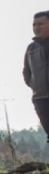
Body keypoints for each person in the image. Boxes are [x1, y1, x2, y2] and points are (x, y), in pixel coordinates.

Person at [23, 11, 49, 143]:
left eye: (41, 24)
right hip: (41, 97)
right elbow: (26, 72)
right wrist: (34, 84)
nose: (36, 27)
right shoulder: (31, 48)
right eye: (34, 25)